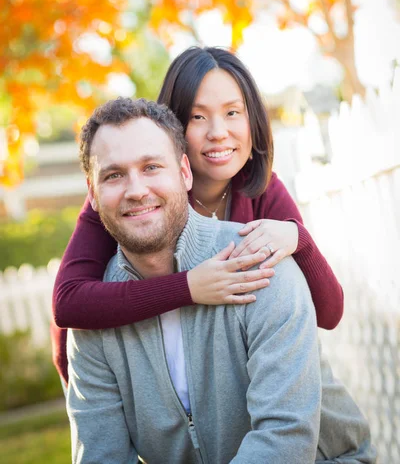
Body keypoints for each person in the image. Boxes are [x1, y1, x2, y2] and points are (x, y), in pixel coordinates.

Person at [67, 97, 375, 464]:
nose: (135, 189)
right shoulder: (94, 319)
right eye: (114, 175)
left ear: (184, 173)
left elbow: (284, 440)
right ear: (93, 194)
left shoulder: (259, 264)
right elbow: (100, 454)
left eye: (151, 167)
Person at [52, 46, 344, 385]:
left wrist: (300, 240)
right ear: (171, 127)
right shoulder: (135, 198)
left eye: (233, 112)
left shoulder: (260, 188)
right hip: (111, 373)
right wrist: (189, 287)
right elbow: (69, 303)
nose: (218, 131)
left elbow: (330, 313)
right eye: (198, 116)